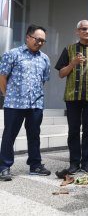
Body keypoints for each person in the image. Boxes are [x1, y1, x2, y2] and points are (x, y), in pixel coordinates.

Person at [55, 20, 88, 175]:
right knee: (73, 131)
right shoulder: (69, 49)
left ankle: (86, 163)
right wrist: (73, 63)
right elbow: (61, 74)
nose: (87, 31)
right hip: (72, 97)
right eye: (84, 29)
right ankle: (73, 163)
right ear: (77, 31)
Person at [0, 25, 51, 181]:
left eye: (43, 41)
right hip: (14, 104)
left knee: (34, 135)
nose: (40, 43)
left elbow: (43, 80)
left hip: (35, 104)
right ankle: (4, 167)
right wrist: (6, 95)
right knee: (9, 135)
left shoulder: (45, 58)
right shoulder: (12, 54)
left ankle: (35, 165)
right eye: (38, 39)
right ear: (28, 37)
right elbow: (2, 77)